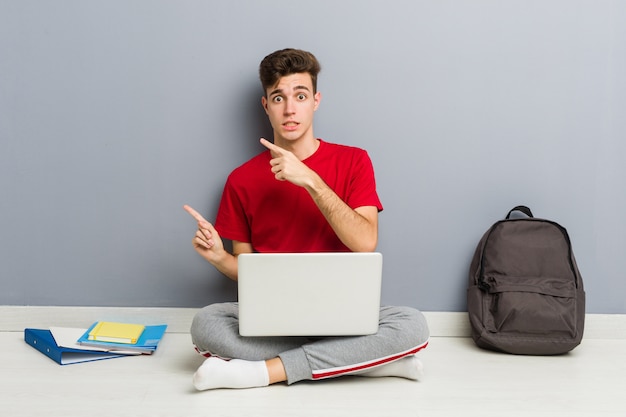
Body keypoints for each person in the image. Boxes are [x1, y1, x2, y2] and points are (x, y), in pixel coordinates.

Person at [184, 48, 429, 390]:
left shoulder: (355, 161)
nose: (290, 108)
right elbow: (247, 269)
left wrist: (311, 180)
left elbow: (364, 242)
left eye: (300, 96)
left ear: (315, 100)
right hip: (275, 319)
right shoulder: (241, 180)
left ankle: (262, 372)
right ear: (266, 105)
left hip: (344, 315)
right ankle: (361, 362)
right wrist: (219, 257)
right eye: (278, 97)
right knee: (206, 324)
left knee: (412, 324)